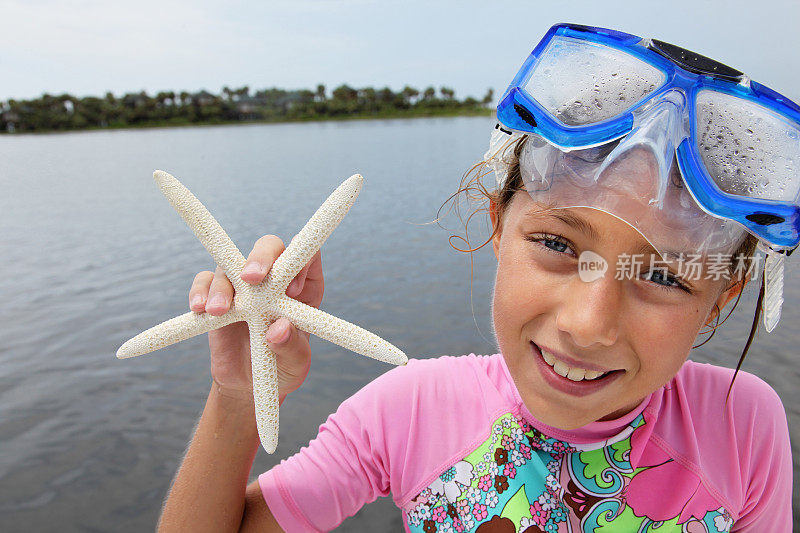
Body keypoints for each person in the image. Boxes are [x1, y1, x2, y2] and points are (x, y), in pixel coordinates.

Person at [157, 24, 796, 532]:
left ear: (720, 299)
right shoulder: (407, 409)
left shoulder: (742, 425)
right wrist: (239, 399)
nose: (587, 323)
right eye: (555, 243)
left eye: (661, 276)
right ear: (498, 226)